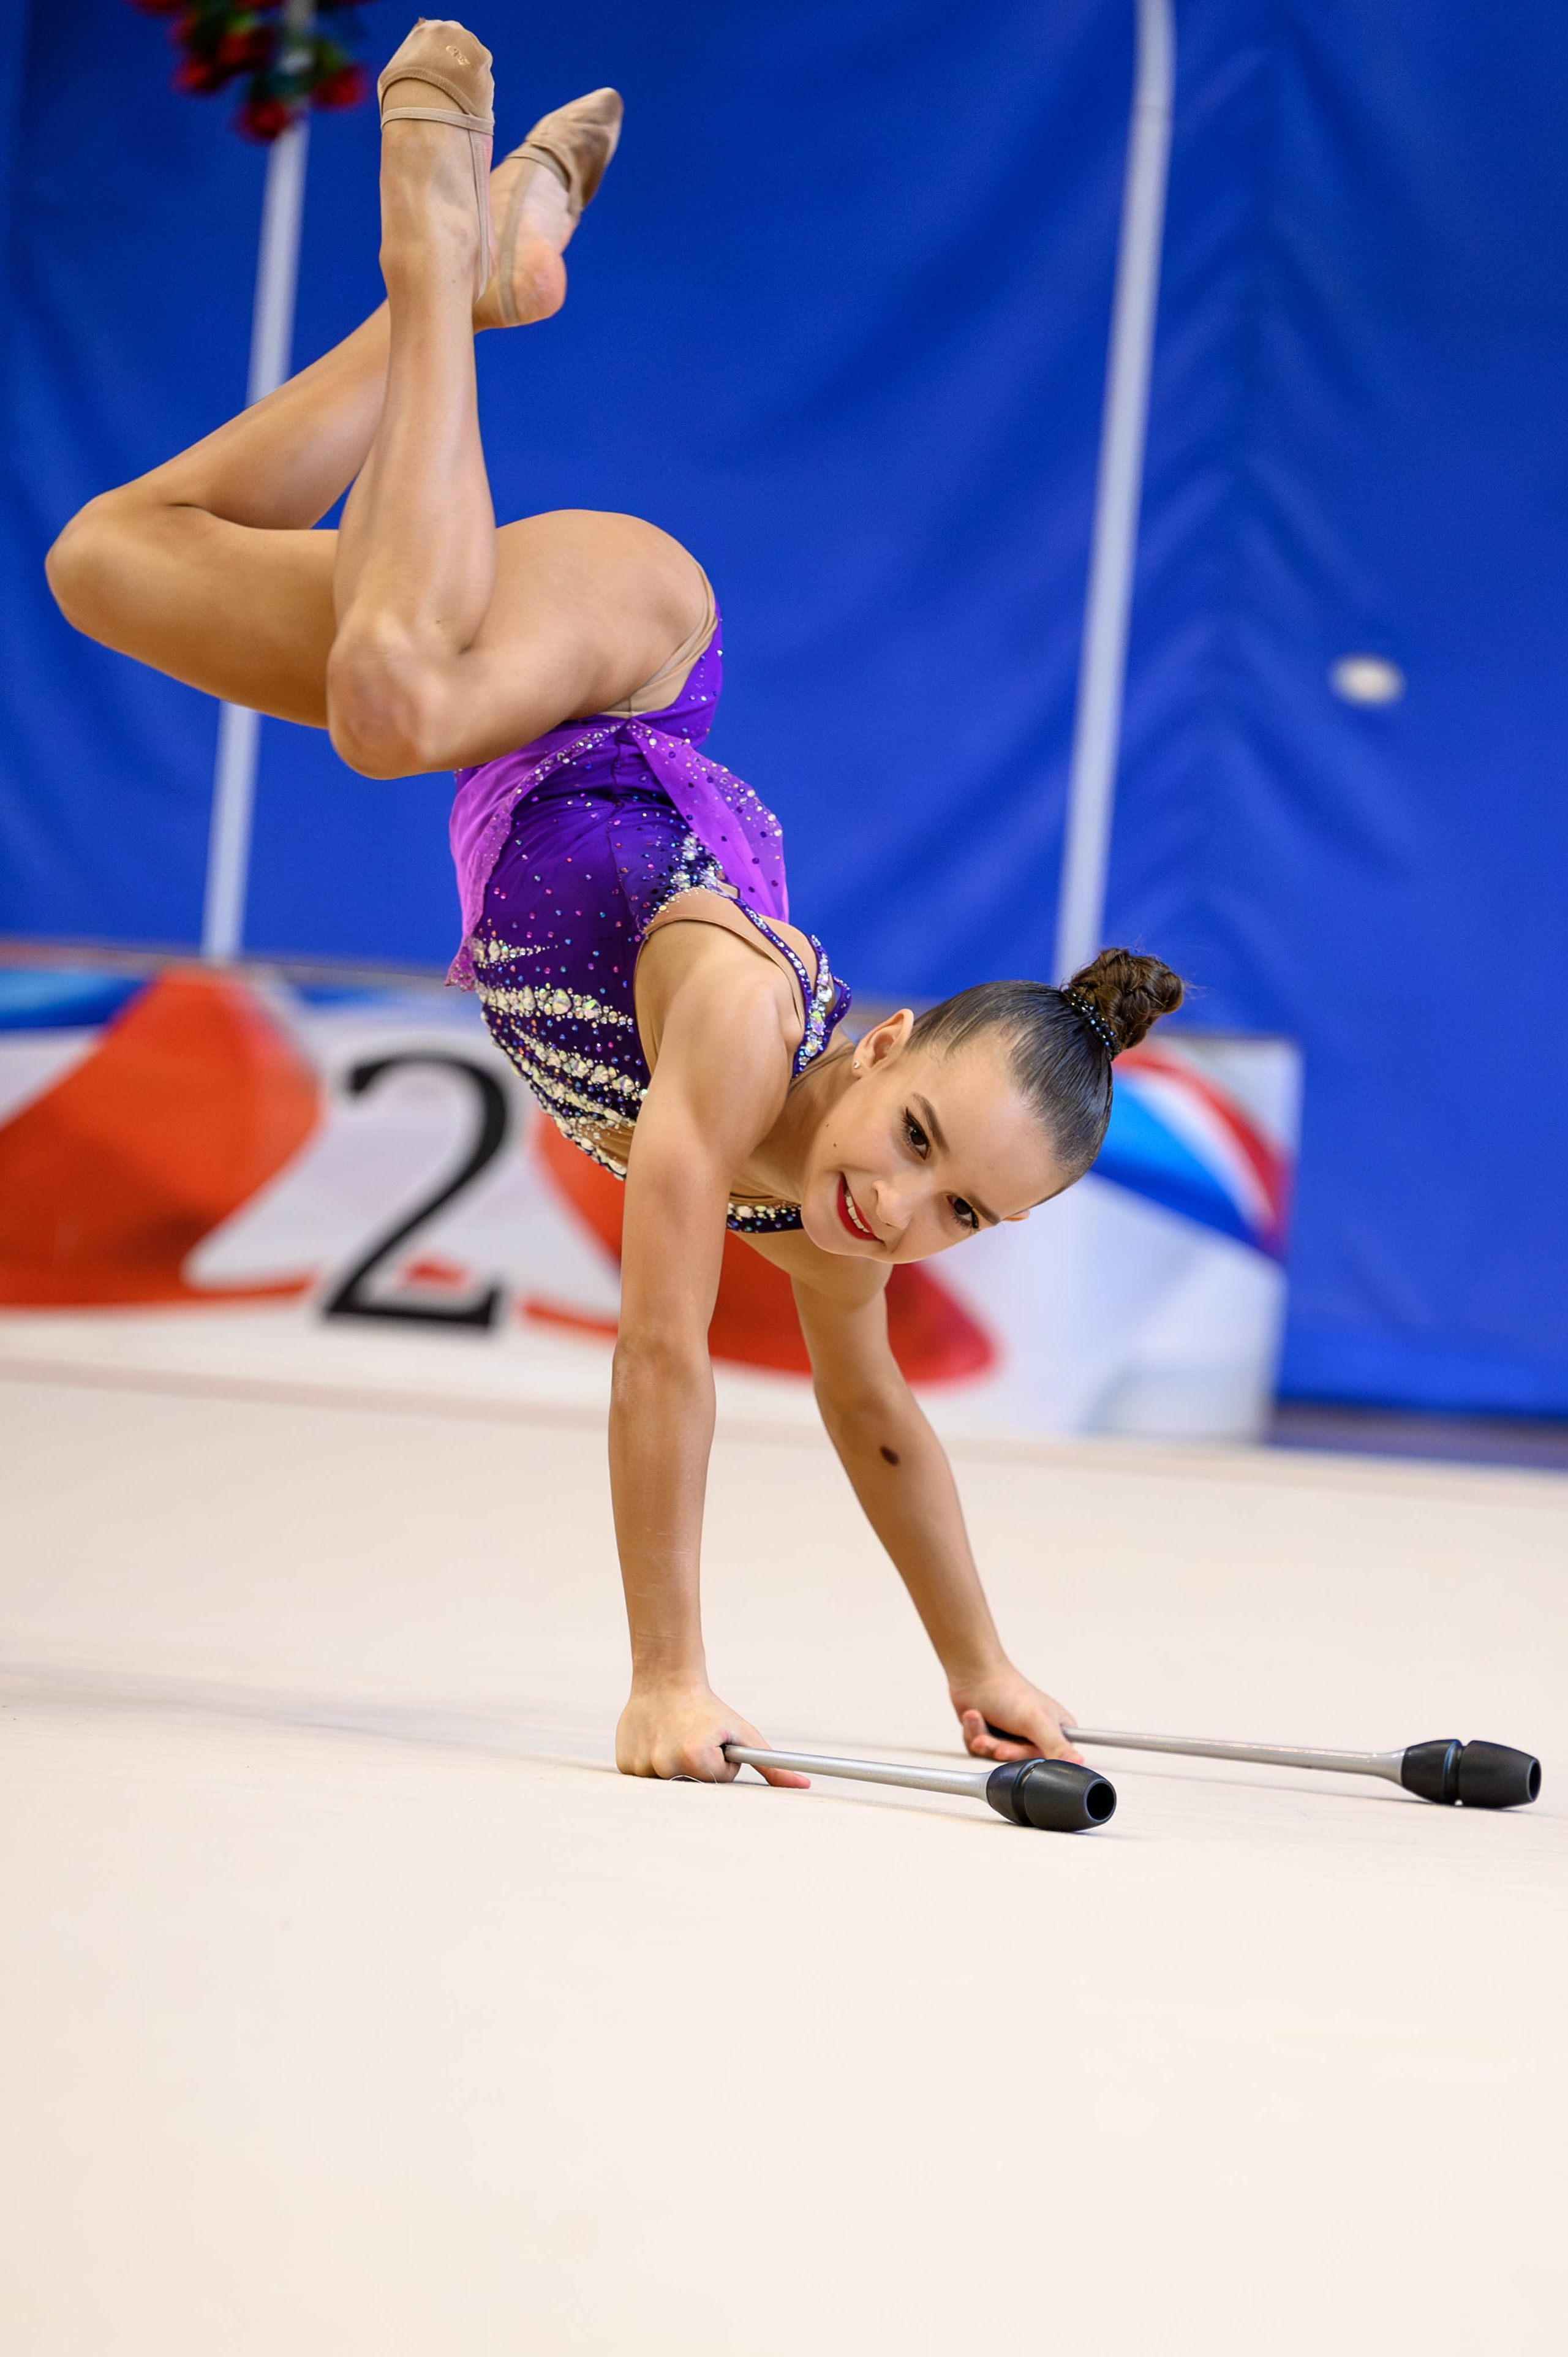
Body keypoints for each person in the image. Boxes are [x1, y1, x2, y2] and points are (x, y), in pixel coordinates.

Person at [47, 21, 1184, 1788]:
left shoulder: (831, 1220)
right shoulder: (736, 1036)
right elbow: (662, 1354)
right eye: (916, 1140)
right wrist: (672, 1678)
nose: (900, 1209)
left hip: (482, 694)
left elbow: (876, 1413)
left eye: (963, 1212)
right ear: (884, 1042)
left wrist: (983, 1665)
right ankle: (433, 249)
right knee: (394, 705)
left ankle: (479, 284)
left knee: (111, 558)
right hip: (629, 656)